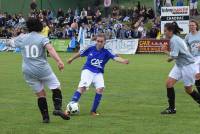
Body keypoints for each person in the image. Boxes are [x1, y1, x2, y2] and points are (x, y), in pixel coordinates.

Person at [14, 18, 70, 123]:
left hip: (27, 70)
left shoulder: (21, 38)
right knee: (56, 87)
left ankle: (45, 118)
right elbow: (50, 49)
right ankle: (57, 108)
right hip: (42, 68)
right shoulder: (42, 38)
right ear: (39, 26)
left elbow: (12, 42)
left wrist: (18, 34)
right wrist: (59, 61)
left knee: (40, 94)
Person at [66, 33, 129, 116]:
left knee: (100, 89)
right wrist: (71, 59)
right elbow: (80, 53)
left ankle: (93, 111)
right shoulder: (90, 47)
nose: (99, 43)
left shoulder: (107, 51)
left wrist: (123, 60)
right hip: (87, 70)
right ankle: (68, 109)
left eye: (101, 41)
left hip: (98, 72)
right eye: (98, 41)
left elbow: (115, 57)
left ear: (104, 42)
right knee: (82, 87)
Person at [161, 22, 200, 114]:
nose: (164, 33)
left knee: (188, 90)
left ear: (170, 31)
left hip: (188, 66)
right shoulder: (175, 39)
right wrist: (170, 57)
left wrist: (165, 51)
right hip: (179, 65)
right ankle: (172, 109)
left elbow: (174, 56)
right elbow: (177, 54)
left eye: (165, 31)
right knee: (168, 83)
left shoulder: (175, 40)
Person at [185, 20, 200, 94]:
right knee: (197, 76)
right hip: (194, 58)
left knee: (197, 76)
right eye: (190, 25)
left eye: (193, 25)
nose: (191, 27)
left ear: (196, 26)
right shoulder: (187, 36)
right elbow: (185, 48)